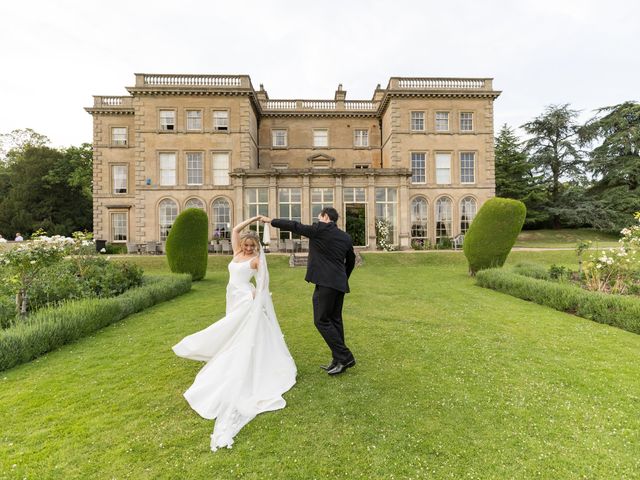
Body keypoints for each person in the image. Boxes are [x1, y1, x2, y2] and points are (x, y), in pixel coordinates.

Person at [172, 215, 296, 451]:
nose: (248, 248)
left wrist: (255, 293)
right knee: (231, 328)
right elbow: (237, 229)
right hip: (232, 297)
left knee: (240, 330)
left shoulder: (256, 260)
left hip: (245, 300)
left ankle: (245, 357)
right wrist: (255, 219)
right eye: (247, 245)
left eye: (252, 246)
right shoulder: (236, 253)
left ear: (257, 248)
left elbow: (263, 284)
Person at [261, 207, 356, 376]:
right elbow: (351, 261)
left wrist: (271, 221)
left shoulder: (319, 229)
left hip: (325, 283)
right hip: (338, 284)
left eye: (319, 216)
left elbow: (295, 226)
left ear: (325, 217)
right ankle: (338, 359)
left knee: (321, 321)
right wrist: (343, 277)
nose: (317, 219)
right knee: (335, 321)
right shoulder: (345, 236)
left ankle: (345, 357)